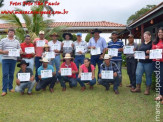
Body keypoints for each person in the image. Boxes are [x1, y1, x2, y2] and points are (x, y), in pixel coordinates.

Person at [0, 28, 22, 96]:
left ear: (14, 33)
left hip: (13, 59)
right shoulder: (3, 40)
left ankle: (10, 87)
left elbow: (19, 49)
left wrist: (20, 51)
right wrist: (4, 52)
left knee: (11, 74)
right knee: (5, 74)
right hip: (5, 59)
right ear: (8, 33)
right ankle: (4, 90)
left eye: (12, 32)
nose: (11, 33)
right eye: (10, 32)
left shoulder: (16, 41)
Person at [153, 27, 163, 104]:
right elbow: (153, 51)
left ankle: (161, 95)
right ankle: (160, 95)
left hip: (162, 62)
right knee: (158, 79)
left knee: (161, 79)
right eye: (159, 32)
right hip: (155, 62)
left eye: (161, 32)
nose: (160, 33)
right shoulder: (155, 42)